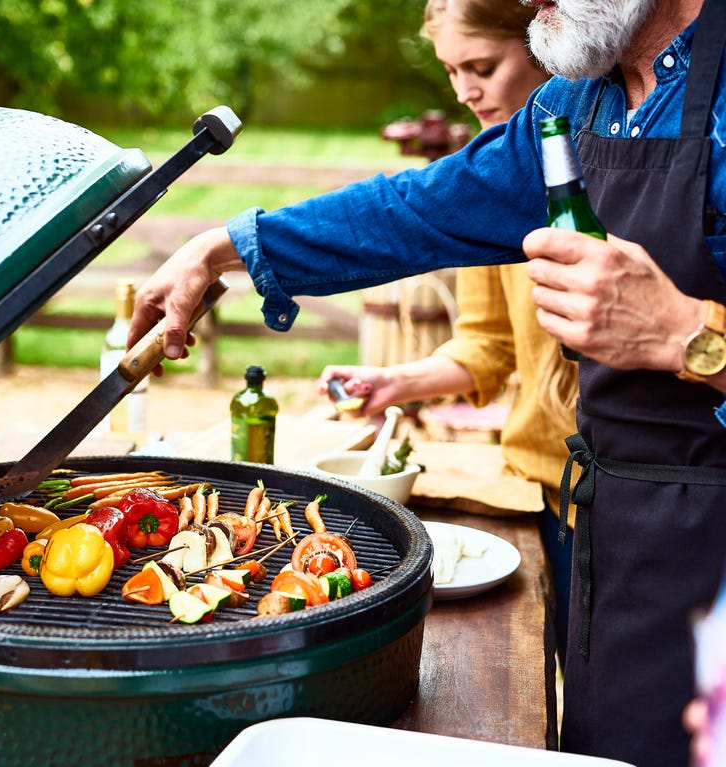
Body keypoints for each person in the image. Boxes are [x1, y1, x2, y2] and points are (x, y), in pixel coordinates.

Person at [129, 1, 726, 765]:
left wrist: (688, 333)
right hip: (621, 541)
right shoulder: (580, 103)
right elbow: (420, 208)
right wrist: (225, 247)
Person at [318, 0, 576, 667]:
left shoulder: (603, 159)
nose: (466, 90)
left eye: (482, 66)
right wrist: (398, 381)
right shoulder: (485, 185)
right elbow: (488, 342)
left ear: (546, 41)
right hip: (535, 485)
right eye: (453, 71)